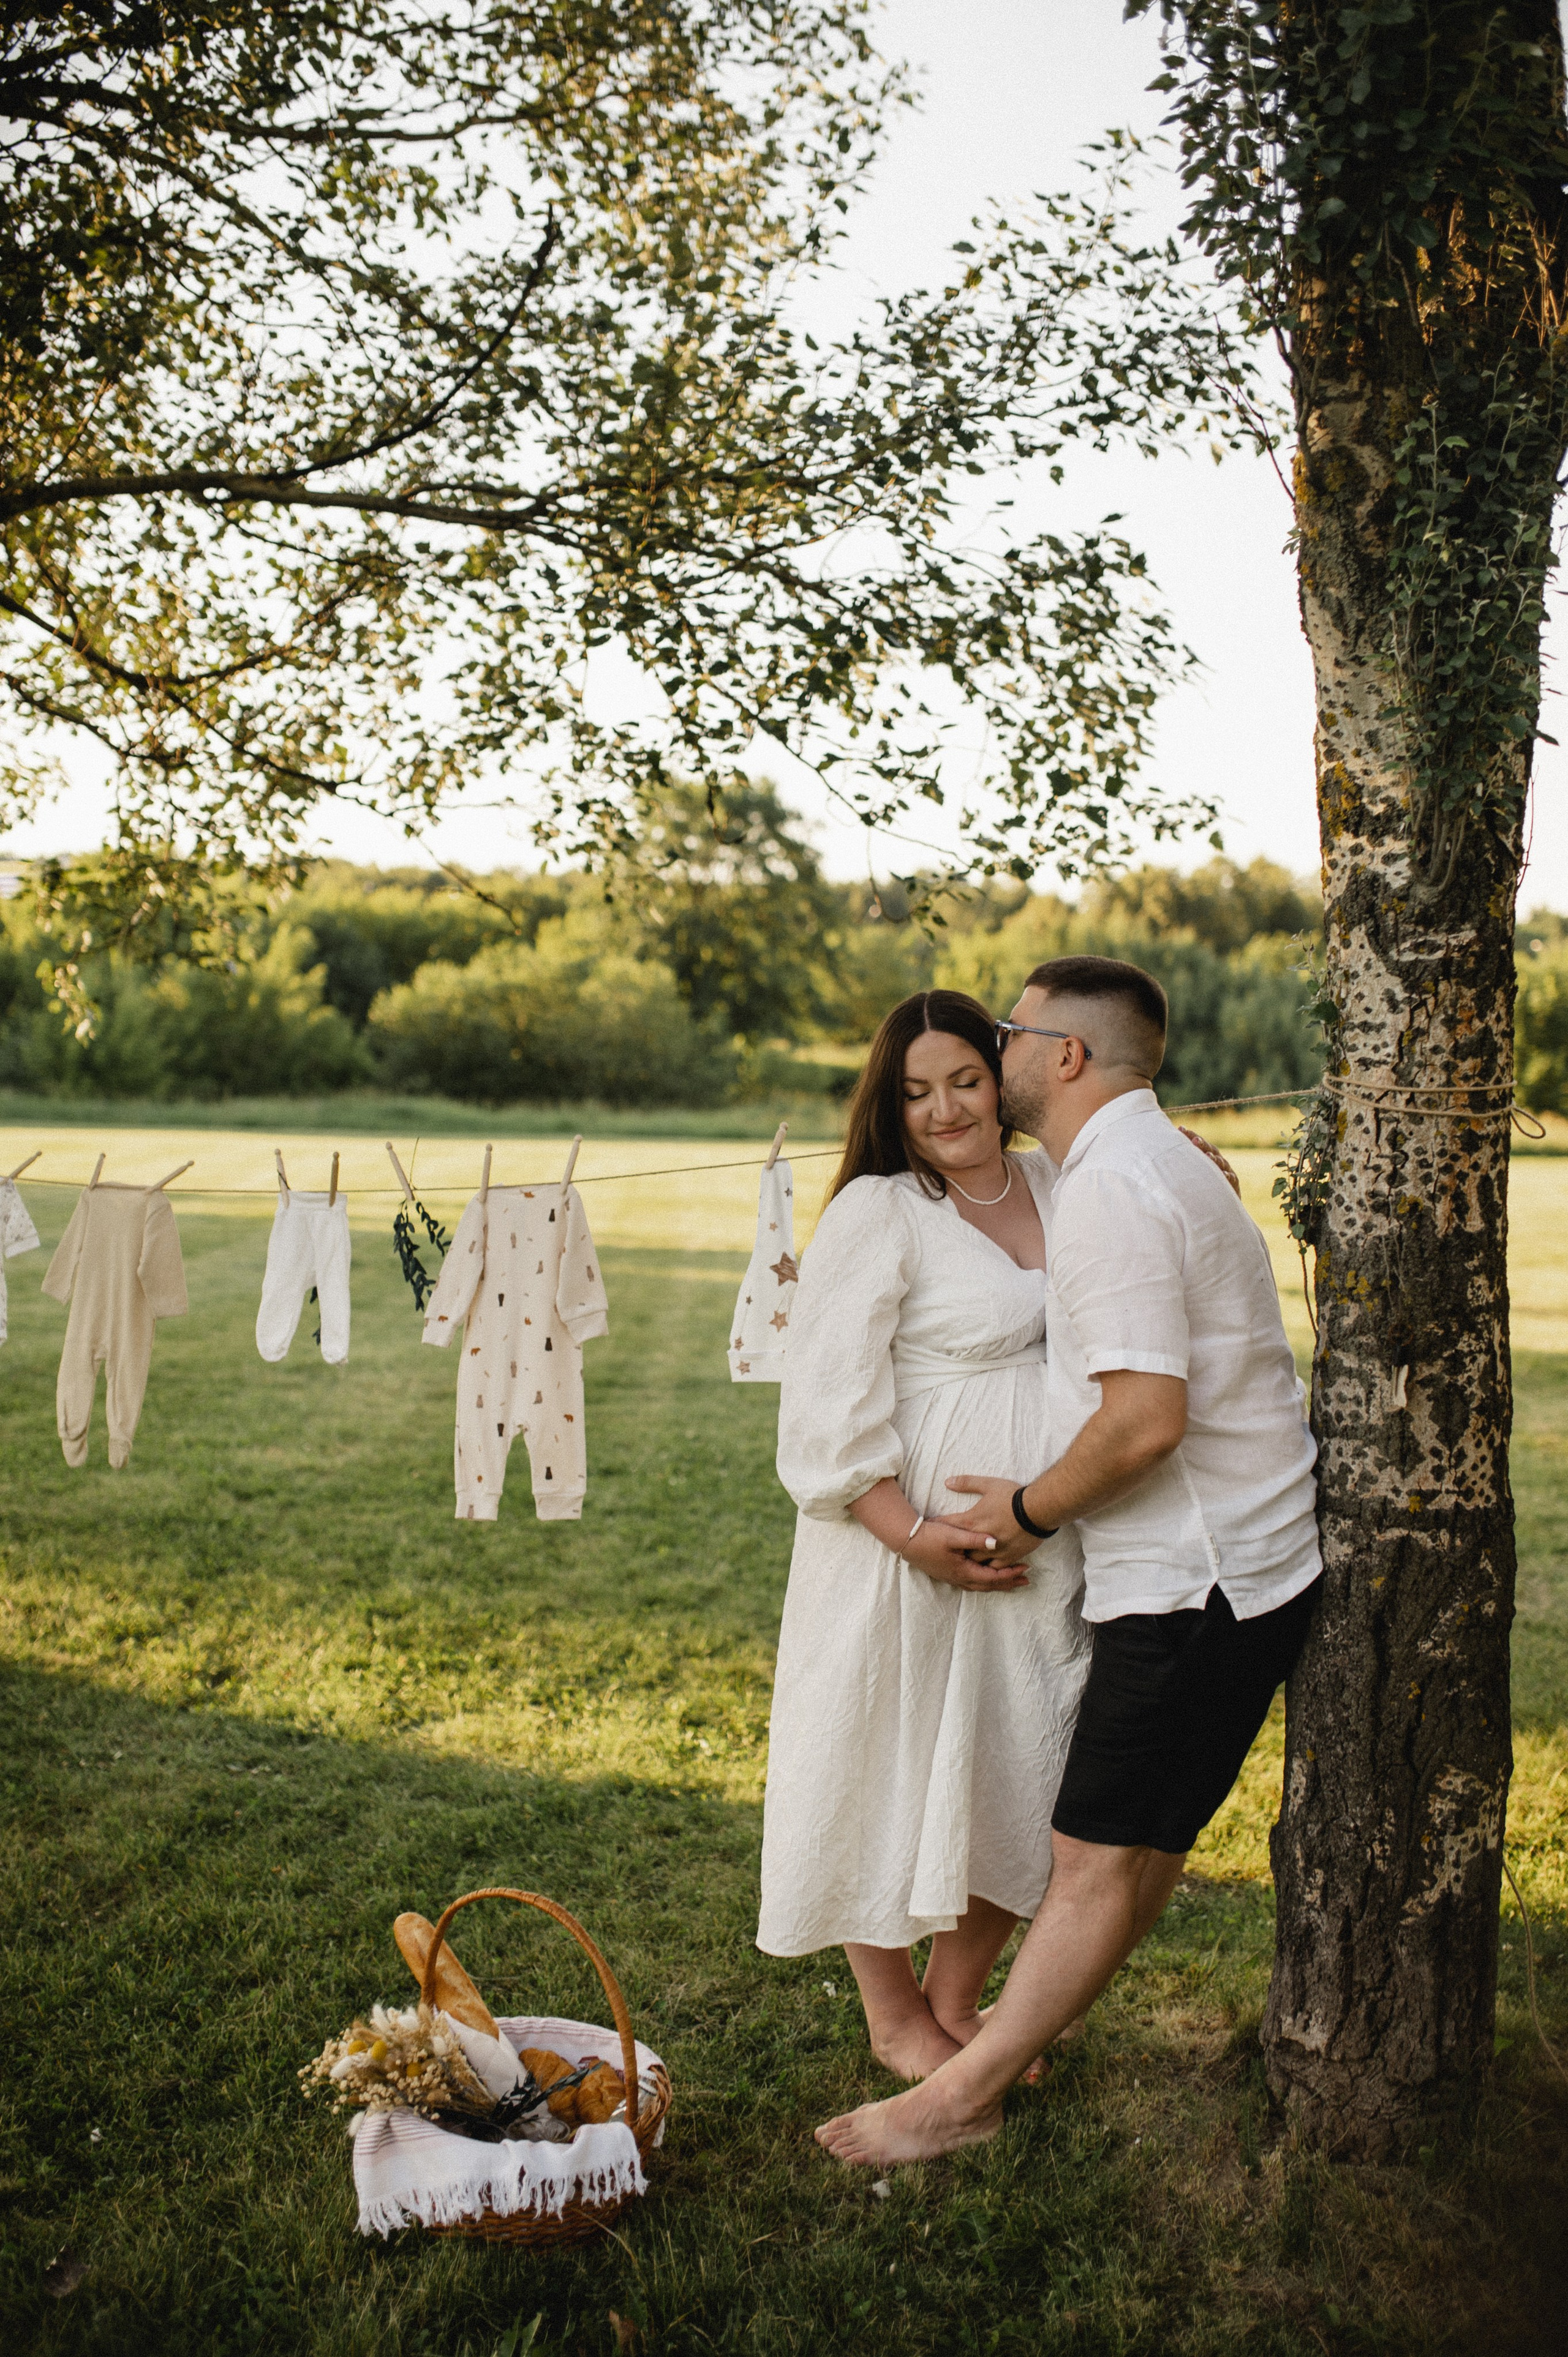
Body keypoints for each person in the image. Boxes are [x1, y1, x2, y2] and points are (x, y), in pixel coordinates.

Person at [815, 954, 1322, 2163]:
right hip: (1244, 1565)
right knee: (1138, 1843)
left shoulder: (1106, 1191)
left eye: (1007, 1033)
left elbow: (1145, 1419)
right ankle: (994, 2035)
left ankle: (952, 2097)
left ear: (1065, 1056)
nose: (992, 1055)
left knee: (1095, 1851)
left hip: (1194, 1577)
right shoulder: (1132, 1165)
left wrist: (1030, 1511)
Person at [758, 989, 1091, 2081]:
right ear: (888, 1107)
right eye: (915, 1092)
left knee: (1025, 1748)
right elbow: (823, 1397)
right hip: (898, 1539)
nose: (945, 1109)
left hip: (1037, 1529)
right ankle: (895, 2013)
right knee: (881, 1753)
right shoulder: (880, 1210)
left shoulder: (1057, 1181)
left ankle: (959, 1994)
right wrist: (911, 1534)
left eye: (963, 1080)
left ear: (1002, 1079)